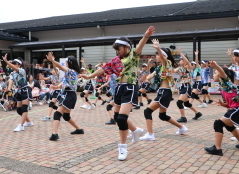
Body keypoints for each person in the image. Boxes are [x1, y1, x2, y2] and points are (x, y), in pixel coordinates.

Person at [82, 26, 155, 161]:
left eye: (119, 49)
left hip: (130, 87)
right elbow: (104, 68)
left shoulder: (133, 55)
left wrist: (146, 36)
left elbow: (139, 47)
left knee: (121, 119)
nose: (118, 51)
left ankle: (122, 147)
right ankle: (135, 130)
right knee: (117, 116)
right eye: (116, 50)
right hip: (119, 88)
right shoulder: (116, 60)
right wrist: (89, 76)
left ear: (127, 47)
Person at [139, 39, 188, 142]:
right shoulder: (159, 68)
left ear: (163, 55)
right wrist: (147, 77)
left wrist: (158, 48)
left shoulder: (167, 63)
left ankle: (150, 134)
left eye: (157, 55)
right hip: (163, 92)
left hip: (164, 92)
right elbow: (150, 77)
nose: (156, 57)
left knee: (147, 111)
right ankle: (181, 128)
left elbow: (164, 59)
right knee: (162, 115)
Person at [45, 52, 84, 141]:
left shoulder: (72, 71)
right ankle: (79, 129)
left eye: (66, 62)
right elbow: (64, 82)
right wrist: (57, 86)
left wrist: (52, 60)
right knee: (66, 116)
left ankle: (54, 134)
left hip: (69, 94)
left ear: (69, 63)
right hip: (68, 94)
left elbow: (61, 67)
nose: (65, 64)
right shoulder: (71, 73)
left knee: (57, 114)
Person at [204, 61, 239, 156]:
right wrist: (223, 105)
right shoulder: (224, 87)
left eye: (215, 73)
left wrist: (216, 66)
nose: (214, 75)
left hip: (237, 110)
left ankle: (217, 148)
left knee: (218, 123)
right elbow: (232, 103)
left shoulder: (227, 83)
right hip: (235, 109)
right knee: (228, 125)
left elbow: (223, 73)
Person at [1, 55, 33, 132]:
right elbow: (11, 81)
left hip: (25, 90)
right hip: (18, 91)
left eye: (15, 63)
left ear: (19, 65)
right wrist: (8, 88)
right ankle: (29, 122)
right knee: (19, 110)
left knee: (24, 108)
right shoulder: (12, 73)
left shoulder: (22, 70)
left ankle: (21, 125)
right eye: (13, 63)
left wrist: (6, 61)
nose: (14, 65)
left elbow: (15, 68)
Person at [174, 48, 202, 123]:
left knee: (179, 102)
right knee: (186, 103)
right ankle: (197, 113)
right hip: (182, 86)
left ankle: (183, 117)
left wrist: (181, 53)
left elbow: (186, 61)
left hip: (186, 86)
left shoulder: (189, 67)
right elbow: (173, 71)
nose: (180, 61)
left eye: (181, 60)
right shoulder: (180, 68)